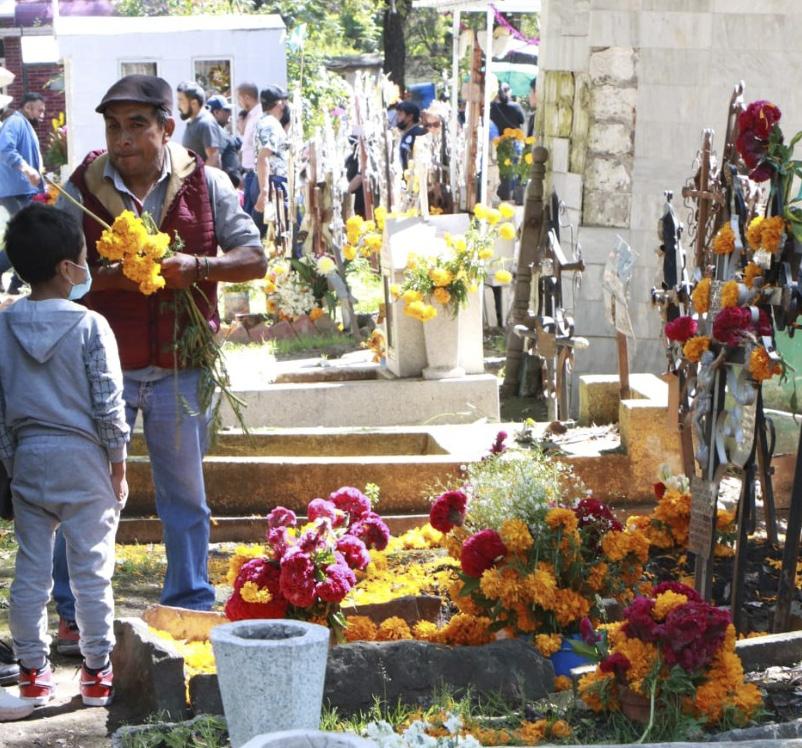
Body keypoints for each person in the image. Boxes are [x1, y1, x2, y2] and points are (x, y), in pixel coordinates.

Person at [51, 75, 266, 629]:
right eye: (113, 126)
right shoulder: (81, 187)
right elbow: (54, 274)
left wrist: (199, 267)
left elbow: (254, 258)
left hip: (181, 366)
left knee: (184, 496)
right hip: (101, 368)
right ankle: (74, 612)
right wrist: (110, 278)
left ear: (167, 128)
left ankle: (188, 604)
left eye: (137, 125)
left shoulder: (208, 182)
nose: (122, 138)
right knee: (85, 493)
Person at [0, 204, 130, 707]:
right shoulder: (91, 325)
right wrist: (118, 466)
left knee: (30, 571)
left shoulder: (4, 327)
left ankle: (33, 672)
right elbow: (108, 404)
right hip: (84, 459)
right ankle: (96, 670)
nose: (87, 267)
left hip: (28, 459)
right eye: (83, 258)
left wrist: (12, 465)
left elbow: (1, 408)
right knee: (91, 570)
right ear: (65, 268)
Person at [0, 93, 46, 294]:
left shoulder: (23, 125)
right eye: (40, 110)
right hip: (15, 191)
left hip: (21, 191)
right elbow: (4, 148)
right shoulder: (15, 122)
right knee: (27, 237)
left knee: (27, 236)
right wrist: (27, 169)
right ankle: (16, 282)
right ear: (28, 108)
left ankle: (16, 284)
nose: (42, 115)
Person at [254, 85, 289, 243]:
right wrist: (264, 191)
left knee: (269, 237)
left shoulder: (264, 121)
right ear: (279, 103)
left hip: (269, 181)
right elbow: (263, 157)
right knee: (278, 236)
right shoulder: (271, 124)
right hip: (273, 183)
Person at [176, 81, 222, 168]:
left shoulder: (206, 123)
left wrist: (201, 176)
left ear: (194, 103)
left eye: (181, 100)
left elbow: (213, 158)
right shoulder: (193, 122)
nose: (178, 106)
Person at [236, 82, 262, 218]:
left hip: (255, 171)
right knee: (248, 212)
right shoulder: (251, 116)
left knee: (252, 214)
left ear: (246, 97)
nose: (238, 103)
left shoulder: (259, 116)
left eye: (239, 99)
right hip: (249, 172)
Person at [207, 95, 241, 189]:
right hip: (222, 187)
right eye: (226, 110)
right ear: (216, 112)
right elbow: (215, 160)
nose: (229, 113)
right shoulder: (215, 131)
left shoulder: (211, 129)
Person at [395, 101, 426, 172]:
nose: (397, 118)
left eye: (400, 115)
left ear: (410, 117)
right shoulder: (407, 133)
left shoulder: (418, 134)